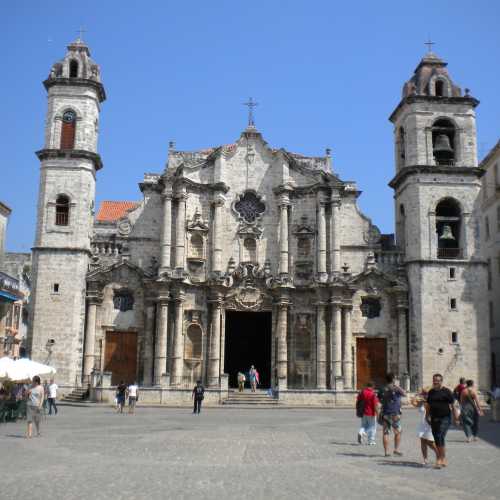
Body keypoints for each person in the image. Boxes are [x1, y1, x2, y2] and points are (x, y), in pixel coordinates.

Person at [426, 373, 457, 469]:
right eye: (434, 380)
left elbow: (453, 405)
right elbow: (428, 405)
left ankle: (439, 459)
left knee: (439, 436)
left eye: (438, 380)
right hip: (434, 418)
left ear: (441, 381)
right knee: (437, 438)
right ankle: (443, 458)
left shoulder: (446, 391)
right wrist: (427, 416)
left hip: (445, 418)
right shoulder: (431, 392)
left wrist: (456, 418)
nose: (436, 382)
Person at [378, 373, 406, 457]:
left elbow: (379, 399)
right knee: (398, 431)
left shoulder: (382, 388)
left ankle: (386, 452)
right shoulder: (396, 388)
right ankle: (396, 449)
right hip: (395, 413)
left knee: (386, 432)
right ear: (393, 379)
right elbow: (404, 393)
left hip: (385, 412)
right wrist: (397, 385)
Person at [411, 388, 437, 466]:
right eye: (424, 393)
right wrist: (417, 395)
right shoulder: (422, 402)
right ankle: (425, 459)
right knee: (423, 442)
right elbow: (413, 403)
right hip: (423, 424)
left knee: (430, 442)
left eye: (426, 393)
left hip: (430, 424)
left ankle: (439, 454)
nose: (425, 395)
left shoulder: (433, 402)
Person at [356, 381, 380, 445]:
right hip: (371, 412)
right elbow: (375, 405)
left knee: (363, 425)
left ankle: (360, 432)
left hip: (363, 412)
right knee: (372, 427)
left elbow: (358, 400)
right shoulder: (373, 394)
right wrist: (378, 414)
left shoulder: (362, 392)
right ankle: (371, 441)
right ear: (373, 386)